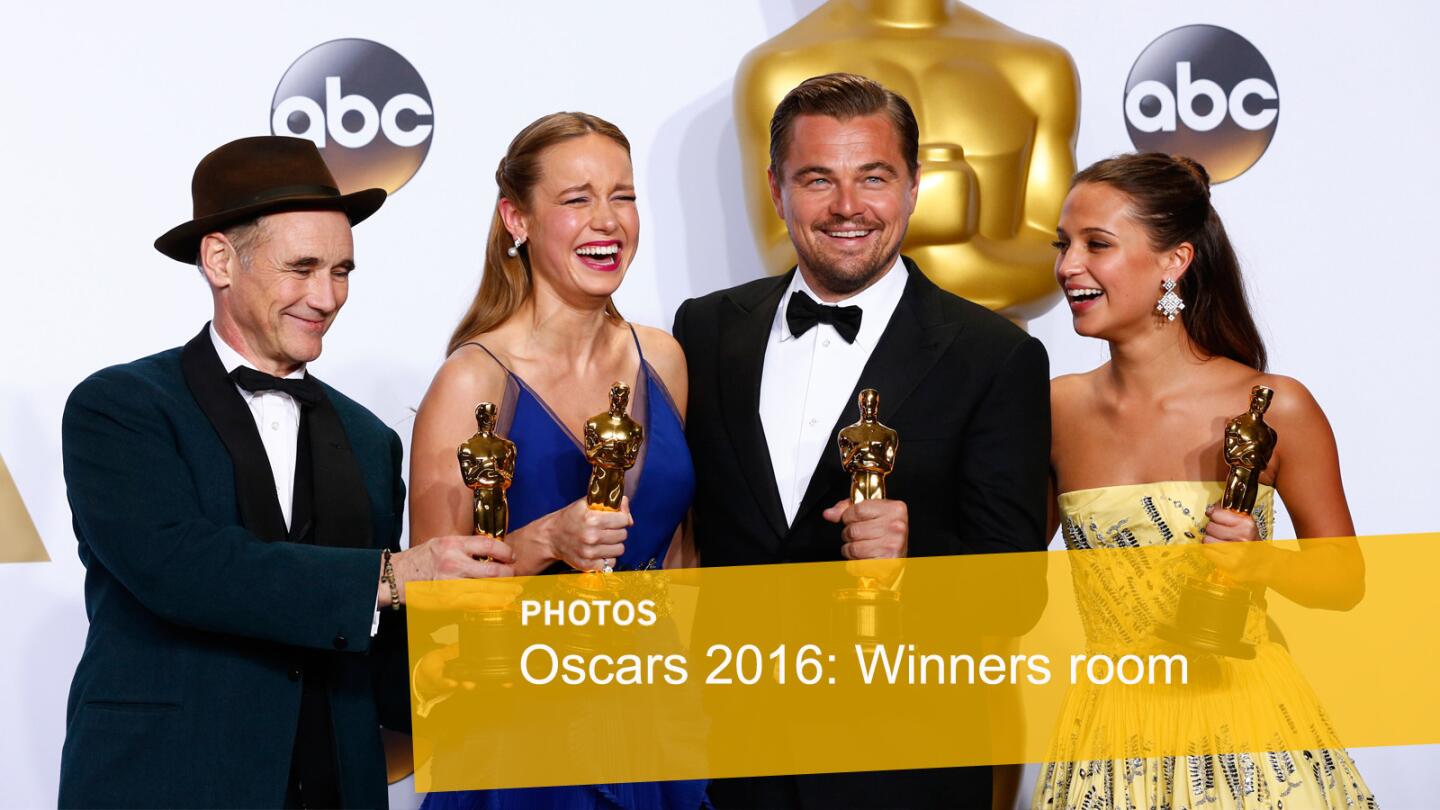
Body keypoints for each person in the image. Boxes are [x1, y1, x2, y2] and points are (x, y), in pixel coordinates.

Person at [57, 136, 515, 809]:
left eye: (343, 271)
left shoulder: (369, 438)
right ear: (220, 260)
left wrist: (506, 654)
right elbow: (183, 569)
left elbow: (377, 654)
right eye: (301, 268)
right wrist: (393, 575)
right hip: (169, 781)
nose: (328, 297)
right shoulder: (120, 408)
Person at [673, 73, 1051, 809]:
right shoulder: (706, 329)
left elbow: (1015, 595)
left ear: (914, 187)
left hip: (903, 768)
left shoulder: (992, 354)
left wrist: (913, 563)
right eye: (818, 179)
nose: (848, 207)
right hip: (729, 762)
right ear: (776, 190)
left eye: (873, 177)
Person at [1035, 152, 1377, 808]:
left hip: (1248, 729)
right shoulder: (1056, 409)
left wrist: (1260, 565)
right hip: (1109, 737)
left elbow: (1344, 580)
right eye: (1064, 244)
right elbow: (1004, 577)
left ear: (1175, 261)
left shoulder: (1277, 405)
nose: (1067, 266)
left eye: (1096, 244)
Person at [409, 112, 707, 809]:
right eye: (576, 199)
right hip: (521, 745)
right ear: (518, 218)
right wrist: (545, 540)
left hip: (654, 732)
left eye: (623, 196)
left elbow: (681, 558)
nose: (608, 222)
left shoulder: (662, 358)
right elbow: (431, 605)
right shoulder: (472, 380)